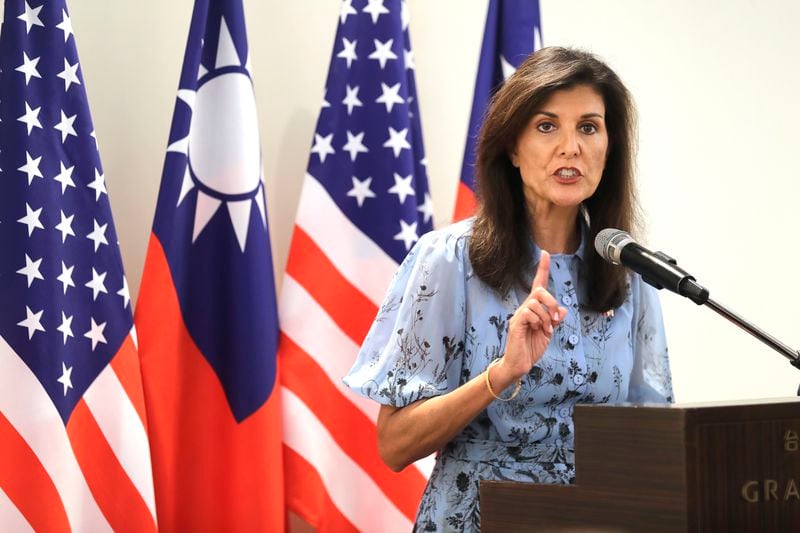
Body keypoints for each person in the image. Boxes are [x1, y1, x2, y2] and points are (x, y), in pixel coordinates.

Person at [343, 46, 673, 532]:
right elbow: (394, 445)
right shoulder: (449, 260)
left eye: (588, 127)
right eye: (546, 126)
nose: (570, 147)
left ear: (610, 148)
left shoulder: (628, 271)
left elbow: (654, 438)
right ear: (512, 148)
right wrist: (501, 374)